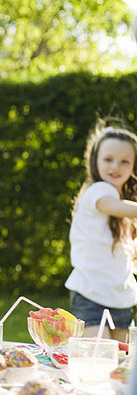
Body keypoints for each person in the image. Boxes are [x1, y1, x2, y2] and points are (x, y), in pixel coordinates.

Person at [64, 118, 137, 341]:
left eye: (125, 161)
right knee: (98, 355)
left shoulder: (126, 204)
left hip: (120, 297)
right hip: (91, 294)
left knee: (117, 364)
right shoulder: (98, 191)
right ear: (95, 160)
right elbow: (111, 206)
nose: (115, 167)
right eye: (108, 159)